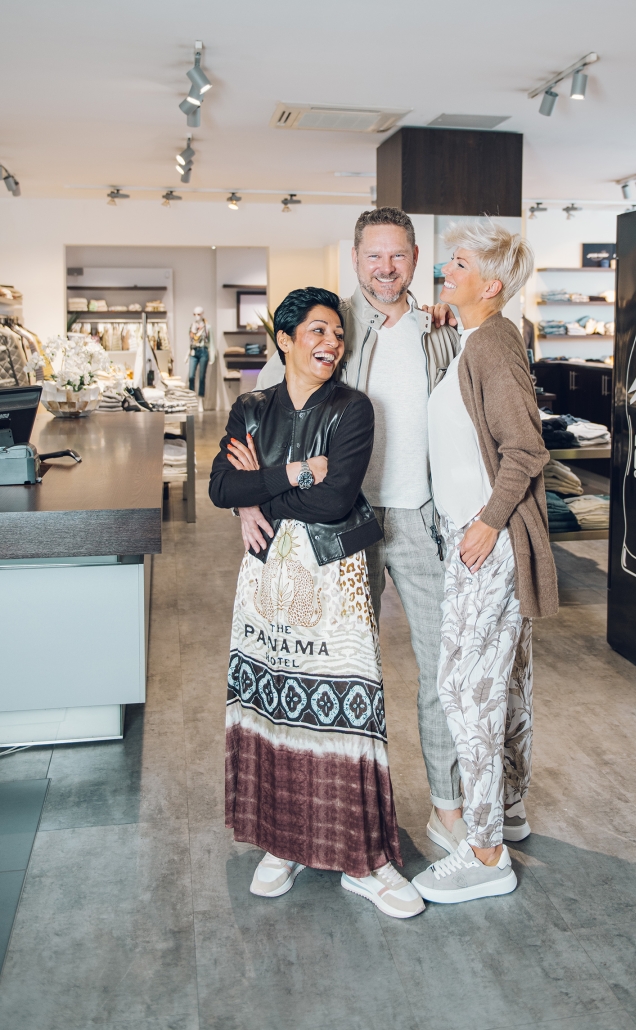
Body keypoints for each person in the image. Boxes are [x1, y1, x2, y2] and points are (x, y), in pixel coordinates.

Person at [244, 209, 467, 852]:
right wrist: (247, 501)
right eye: (374, 256)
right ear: (355, 258)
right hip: (337, 526)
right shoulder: (328, 324)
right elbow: (260, 411)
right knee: (331, 671)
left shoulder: (439, 331)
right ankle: (321, 817)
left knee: (443, 670)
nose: (386, 268)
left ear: (416, 258)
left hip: (422, 520)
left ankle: (448, 808)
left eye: (398, 255)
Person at [209, 286, 425, 920]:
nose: (331, 343)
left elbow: (334, 503)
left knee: (346, 709)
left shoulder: (353, 408)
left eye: (337, 333)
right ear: (285, 340)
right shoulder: (251, 408)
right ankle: (283, 844)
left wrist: (257, 489)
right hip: (266, 578)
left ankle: (366, 860)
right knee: (275, 704)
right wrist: (293, 475)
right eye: (317, 332)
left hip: (333, 575)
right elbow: (220, 486)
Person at [413, 221, 559, 905]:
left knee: (464, 687)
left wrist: (488, 521)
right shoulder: (480, 337)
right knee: (500, 680)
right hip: (478, 533)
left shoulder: (493, 343)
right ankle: (505, 811)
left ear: (492, 284)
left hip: (486, 537)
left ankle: (485, 851)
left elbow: (525, 448)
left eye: (461, 263)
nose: (447, 269)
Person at [188, 306, 212, 411]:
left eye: (198, 314)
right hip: (193, 351)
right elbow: (190, 341)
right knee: (191, 376)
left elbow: (210, 342)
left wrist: (211, 356)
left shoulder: (207, 327)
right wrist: (187, 354)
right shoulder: (192, 326)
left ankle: (200, 400)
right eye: (195, 314)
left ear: (202, 314)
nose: (196, 316)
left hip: (203, 351)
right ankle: (191, 399)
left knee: (202, 377)